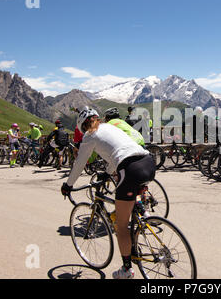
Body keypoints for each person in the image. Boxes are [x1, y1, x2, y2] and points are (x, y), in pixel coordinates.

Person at [61, 108, 155, 279]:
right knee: (131, 205)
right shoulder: (110, 128)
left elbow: (79, 164)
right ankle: (139, 217)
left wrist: (68, 185)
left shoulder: (89, 135)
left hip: (130, 169)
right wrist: (107, 172)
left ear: (83, 126)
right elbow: (117, 153)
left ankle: (126, 270)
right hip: (148, 162)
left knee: (120, 226)